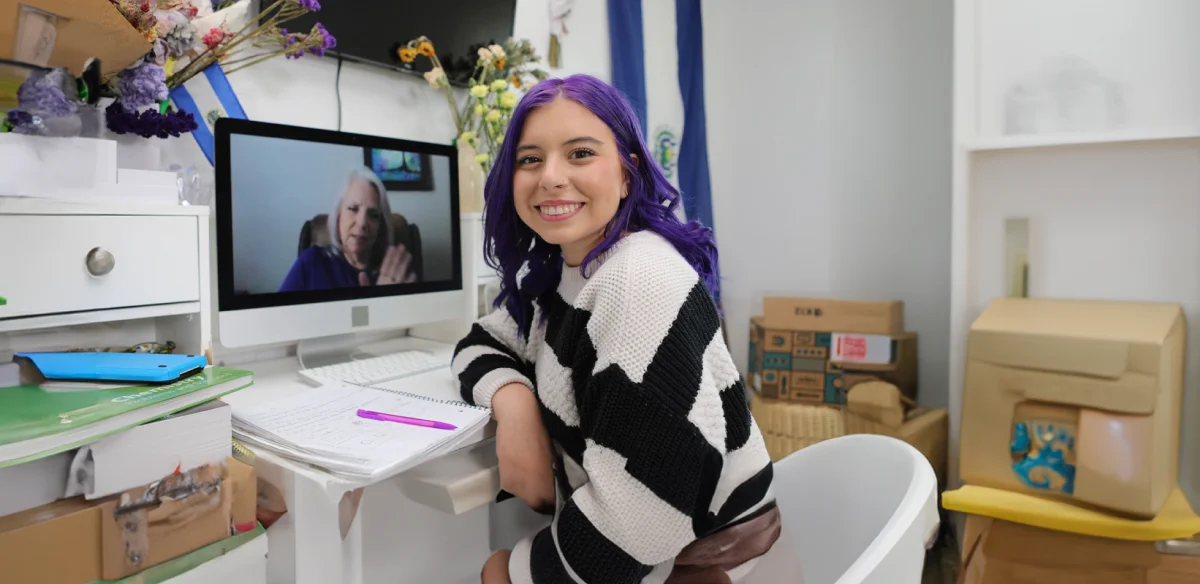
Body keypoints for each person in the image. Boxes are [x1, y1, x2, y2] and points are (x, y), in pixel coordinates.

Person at [452, 75, 780, 584]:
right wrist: (514, 406)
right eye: (530, 158)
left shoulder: (637, 278)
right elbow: (482, 340)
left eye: (580, 153)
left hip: (701, 565)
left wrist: (513, 573)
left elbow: (650, 512)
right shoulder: (569, 275)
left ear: (628, 172)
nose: (550, 177)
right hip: (653, 553)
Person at [279, 167, 418, 292]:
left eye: (373, 215)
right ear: (338, 215)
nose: (362, 223)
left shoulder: (395, 269)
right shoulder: (310, 262)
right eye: (353, 209)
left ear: (381, 226)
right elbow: (281, 317)